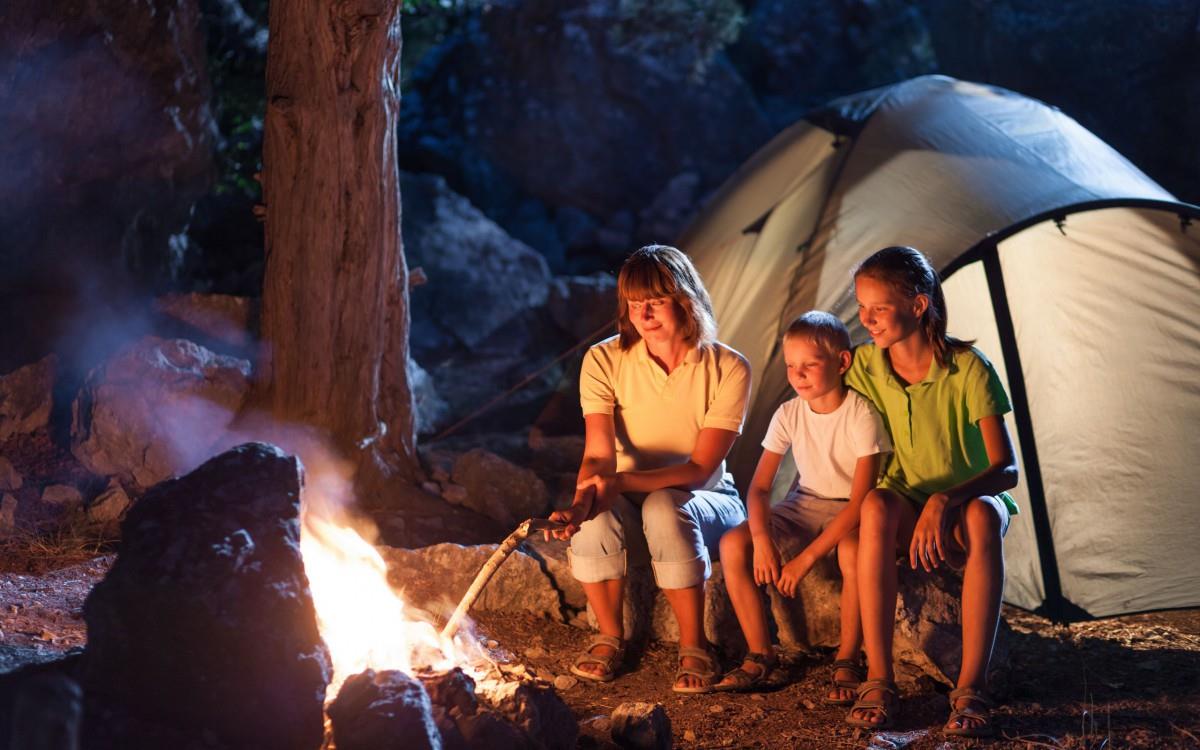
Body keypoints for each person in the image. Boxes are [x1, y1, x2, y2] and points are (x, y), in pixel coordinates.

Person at [547, 244, 751, 694]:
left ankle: (694, 644)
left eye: (655, 301)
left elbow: (699, 469)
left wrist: (618, 482)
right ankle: (609, 635)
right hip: (628, 489)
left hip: (706, 497)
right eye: (635, 304)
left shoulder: (728, 367)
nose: (644, 313)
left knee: (663, 504)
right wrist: (583, 503)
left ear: (687, 299)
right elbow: (598, 456)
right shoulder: (604, 359)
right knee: (598, 512)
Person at [845, 246, 1019, 737]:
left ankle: (970, 688)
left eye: (878, 308)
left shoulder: (967, 367)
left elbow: (1006, 468)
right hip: (905, 504)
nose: (867, 320)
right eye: (861, 307)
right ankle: (879, 680)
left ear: (918, 306)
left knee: (986, 515)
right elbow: (812, 391)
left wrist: (947, 499)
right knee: (876, 503)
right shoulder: (864, 366)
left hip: (966, 506)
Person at [714, 311, 891, 695]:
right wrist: (762, 540)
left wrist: (804, 559)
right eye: (792, 365)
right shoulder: (789, 413)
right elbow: (759, 488)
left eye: (810, 364)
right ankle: (761, 652)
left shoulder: (860, 414)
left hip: (851, 508)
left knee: (851, 552)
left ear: (841, 362)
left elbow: (862, 498)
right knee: (733, 544)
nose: (799, 375)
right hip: (804, 502)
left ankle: (847, 657)